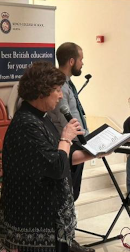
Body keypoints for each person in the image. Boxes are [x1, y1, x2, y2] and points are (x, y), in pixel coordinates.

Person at [0, 61, 99, 252]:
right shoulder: (27, 124)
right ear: (41, 91)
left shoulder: (41, 117)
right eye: (57, 90)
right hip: (35, 222)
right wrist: (66, 137)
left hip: (48, 218)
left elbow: (59, 157)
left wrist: (92, 153)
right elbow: (57, 167)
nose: (61, 95)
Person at [48, 42, 88, 203]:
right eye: (81, 59)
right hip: (70, 145)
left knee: (73, 193)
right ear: (71, 61)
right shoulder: (61, 87)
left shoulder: (66, 83)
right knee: (69, 194)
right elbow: (66, 120)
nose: (82, 63)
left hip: (76, 142)